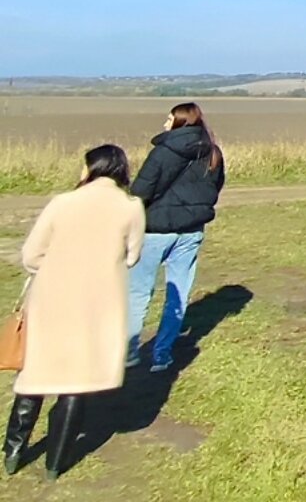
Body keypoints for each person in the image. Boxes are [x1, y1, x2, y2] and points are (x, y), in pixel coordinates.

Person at [5, 145, 144, 481]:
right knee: (76, 382)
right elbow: (132, 256)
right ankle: (55, 464)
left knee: (36, 373)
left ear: (92, 168)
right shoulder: (131, 207)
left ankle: (12, 453)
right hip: (99, 303)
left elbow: (31, 255)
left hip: (52, 297)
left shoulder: (62, 203)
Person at [126, 102, 226, 372]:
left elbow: (140, 191)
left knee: (138, 292)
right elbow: (214, 188)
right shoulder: (213, 153)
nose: (165, 123)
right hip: (191, 230)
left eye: (169, 119)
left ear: (180, 122)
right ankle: (162, 354)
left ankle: (129, 351)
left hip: (155, 230)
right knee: (178, 293)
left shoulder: (162, 152)